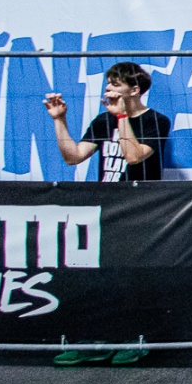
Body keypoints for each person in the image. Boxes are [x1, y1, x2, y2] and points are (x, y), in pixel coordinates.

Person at [45, 62, 169, 366]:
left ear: (134, 90)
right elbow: (73, 156)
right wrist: (60, 120)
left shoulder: (156, 121)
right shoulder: (103, 121)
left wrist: (123, 117)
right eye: (108, 83)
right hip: (107, 207)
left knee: (133, 280)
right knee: (100, 280)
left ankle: (135, 340)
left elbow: (134, 157)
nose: (108, 89)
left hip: (140, 210)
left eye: (115, 84)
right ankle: (97, 342)